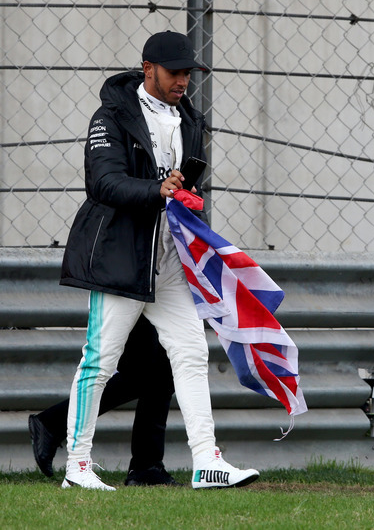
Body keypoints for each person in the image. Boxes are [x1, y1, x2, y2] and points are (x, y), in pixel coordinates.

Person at [58, 30, 258, 491]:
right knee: (99, 362)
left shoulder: (191, 119)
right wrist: (157, 189)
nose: (184, 80)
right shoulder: (110, 116)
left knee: (190, 355)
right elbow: (103, 184)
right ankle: (78, 466)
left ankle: (208, 462)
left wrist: (186, 192)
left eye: (189, 72)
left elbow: (192, 174)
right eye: (175, 72)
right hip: (121, 261)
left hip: (170, 261)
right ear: (148, 69)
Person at [28, 316, 179, 486]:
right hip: (135, 293)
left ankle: (147, 466)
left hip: (151, 293)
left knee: (156, 372)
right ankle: (146, 466)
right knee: (146, 373)